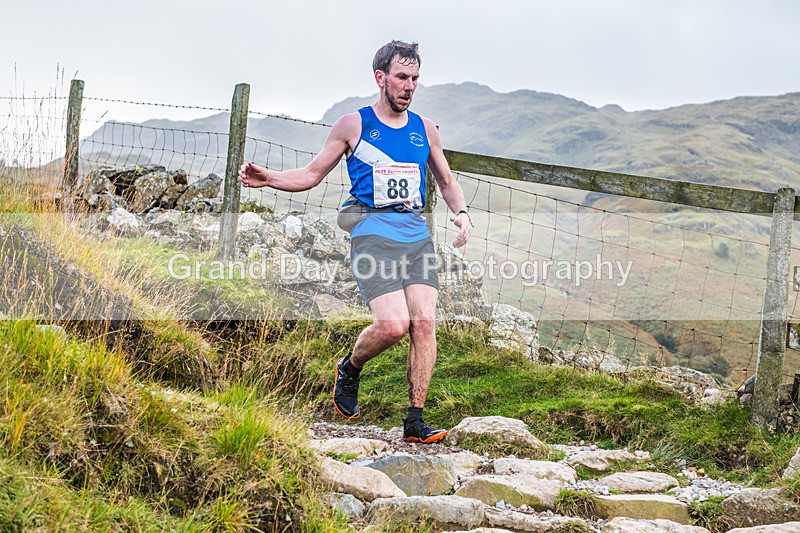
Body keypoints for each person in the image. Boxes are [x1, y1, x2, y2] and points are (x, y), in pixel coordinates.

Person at [238, 40, 472, 443]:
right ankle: (350, 366)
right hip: (372, 234)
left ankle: (415, 421)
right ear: (380, 77)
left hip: (416, 236)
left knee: (425, 322)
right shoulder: (354, 125)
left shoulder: (424, 129)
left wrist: (462, 214)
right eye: (401, 77)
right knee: (394, 325)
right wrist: (270, 179)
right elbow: (312, 174)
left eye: (415, 78)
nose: (409, 86)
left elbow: (447, 182)